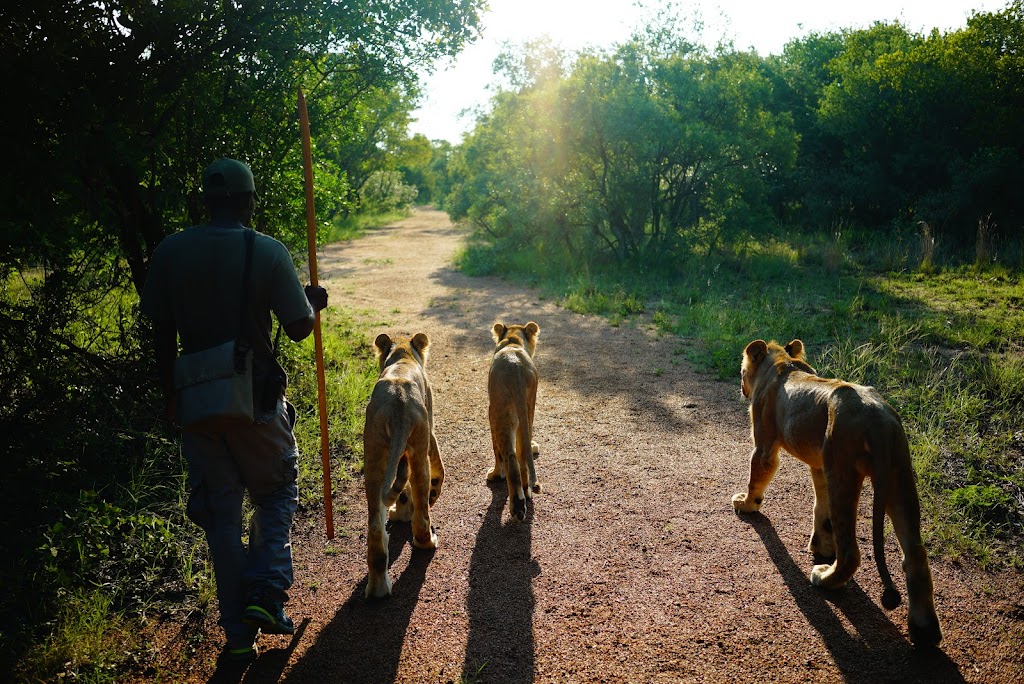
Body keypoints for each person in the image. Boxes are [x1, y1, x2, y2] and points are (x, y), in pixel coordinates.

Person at [141, 158, 328, 664]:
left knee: (222, 517)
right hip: (255, 401)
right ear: (248, 202)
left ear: (206, 200)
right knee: (275, 491)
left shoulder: (170, 251)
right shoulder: (265, 250)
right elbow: (296, 328)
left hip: (195, 402)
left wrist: (172, 395)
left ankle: (238, 636)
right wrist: (312, 303)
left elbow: (159, 331)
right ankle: (266, 593)